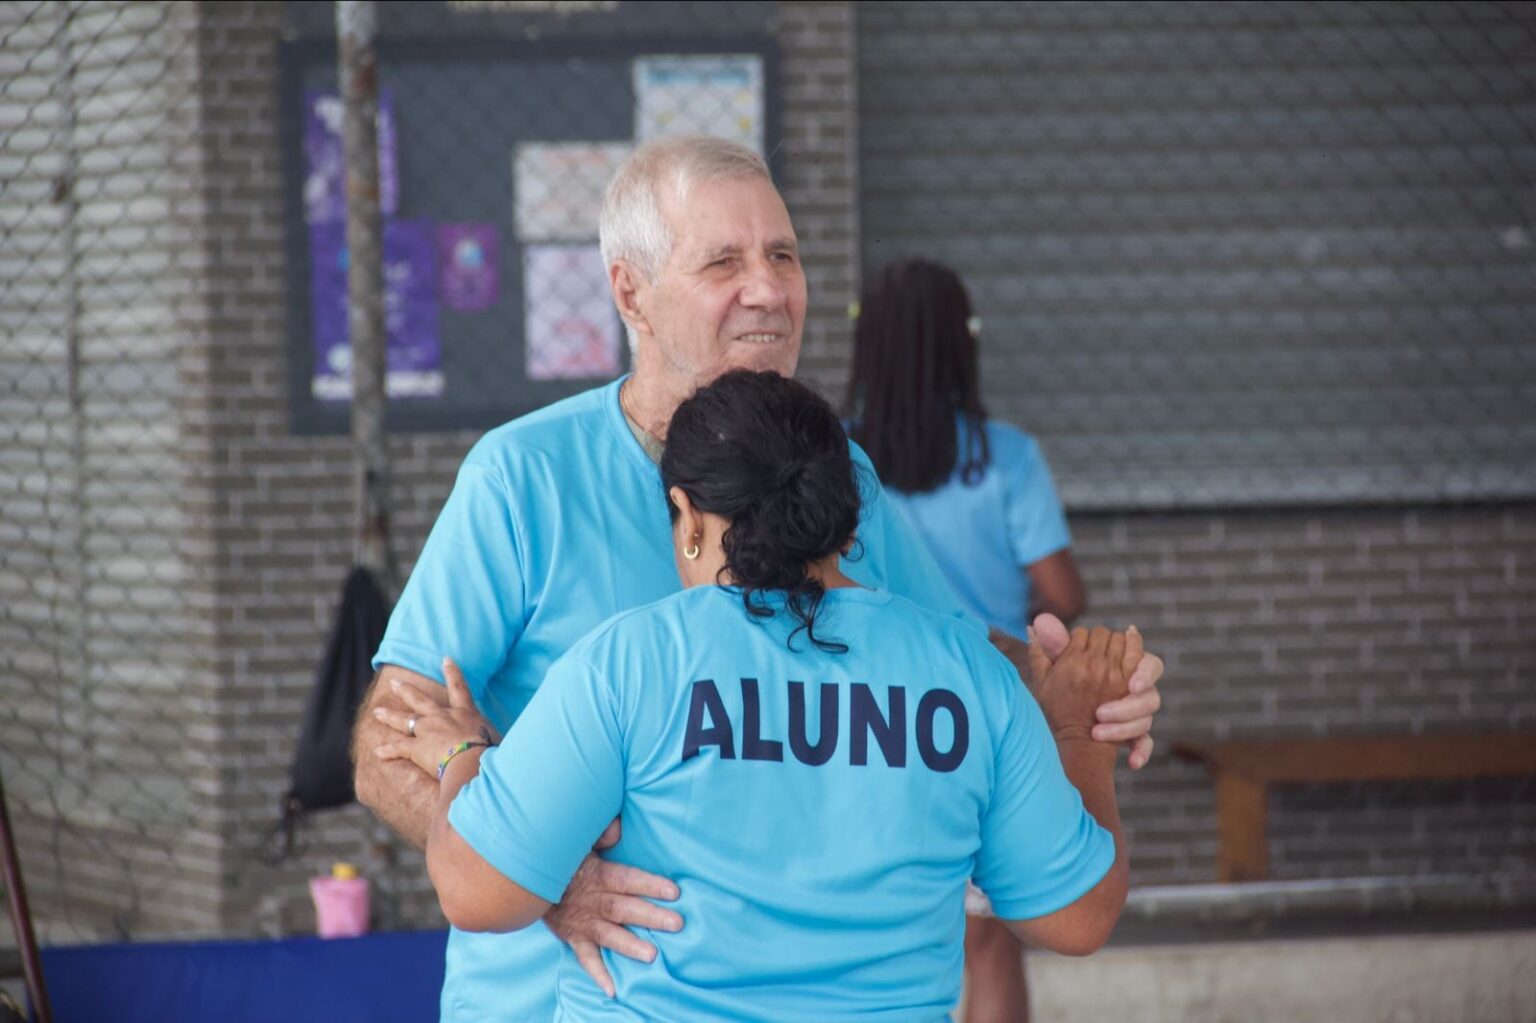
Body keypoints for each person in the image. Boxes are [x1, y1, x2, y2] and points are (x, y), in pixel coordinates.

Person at [351, 135, 1165, 1021]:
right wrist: (555, 883)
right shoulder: (523, 476)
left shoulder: (839, 474)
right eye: (723, 262)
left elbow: (958, 657)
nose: (770, 290)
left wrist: (1078, 690)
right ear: (632, 292)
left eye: (783, 254)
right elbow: (386, 744)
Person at [375, 369, 1135, 1020]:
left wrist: (462, 752)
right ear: (845, 515)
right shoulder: (969, 675)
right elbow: (1076, 915)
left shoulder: (626, 662)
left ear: (691, 519)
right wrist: (1080, 738)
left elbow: (477, 890)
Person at [847, 258, 1088, 1021]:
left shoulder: (840, 463)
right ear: (962, 345)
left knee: (890, 931)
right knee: (990, 938)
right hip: (993, 707)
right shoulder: (1005, 455)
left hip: (874, 715)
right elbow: (1064, 594)